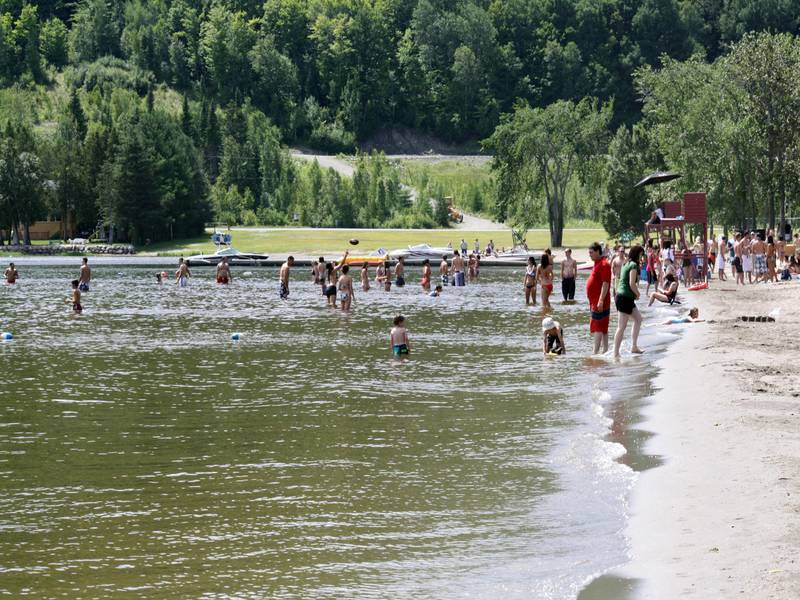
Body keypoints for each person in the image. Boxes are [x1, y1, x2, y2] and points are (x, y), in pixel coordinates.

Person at [613, 245, 645, 358]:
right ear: (637, 254)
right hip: (624, 297)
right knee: (621, 326)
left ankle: (634, 347)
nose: (642, 257)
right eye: (641, 254)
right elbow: (632, 283)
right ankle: (615, 353)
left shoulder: (626, 263)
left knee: (638, 319)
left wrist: (634, 294)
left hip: (624, 297)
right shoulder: (633, 265)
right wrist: (638, 293)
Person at [586, 242, 612, 355]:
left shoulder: (604, 264)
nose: (589, 255)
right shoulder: (597, 263)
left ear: (597, 251)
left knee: (598, 327)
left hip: (600, 302)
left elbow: (605, 283)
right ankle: (605, 351)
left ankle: (595, 353)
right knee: (603, 327)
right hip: (595, 302)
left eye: (591, 252)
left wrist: (600, 300)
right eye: (589, 253)